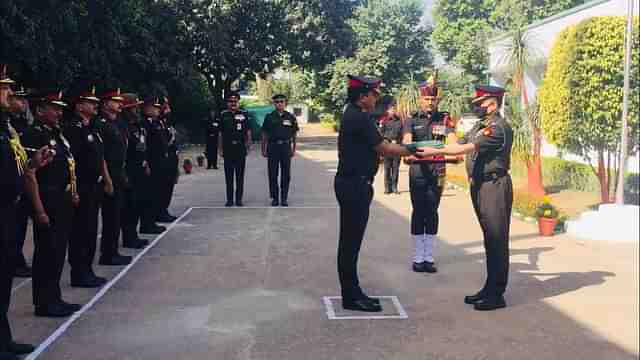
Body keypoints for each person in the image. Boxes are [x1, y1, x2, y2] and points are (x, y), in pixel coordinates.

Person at [335, 75, 428, 312]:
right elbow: (384, 147)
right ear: (363, 96)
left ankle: (352, 292)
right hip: (354, 185)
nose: (377, 98)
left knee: (350, 241)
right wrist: (413, 150)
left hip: (352, 183)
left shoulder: (353, 113)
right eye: (374, 94)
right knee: (350, 242)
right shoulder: (359, 117)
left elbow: (378, 142)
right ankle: (351, 296)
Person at [419, 85, 513, 311]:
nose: (476, 106)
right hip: (481, 185)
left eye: (480, 102)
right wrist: (423, 146)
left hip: (494, 185)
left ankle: (496, 295)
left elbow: (468, 148)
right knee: (489, 239)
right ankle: (489, 288)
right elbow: (458, 143)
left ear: (492, 102)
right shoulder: (481, 126)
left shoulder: (497, 128)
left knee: (497, 239)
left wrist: (434, 153)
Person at [21, 89, 82, 317]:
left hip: (62, 199)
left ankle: (54, 297)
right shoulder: (33, 135)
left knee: (57, 252)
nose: (59, 112)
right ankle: (44, 302)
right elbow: (30, 174)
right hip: (47, 200)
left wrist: (72, 191)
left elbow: (69, 165)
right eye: (54, 108)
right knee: (46, 253)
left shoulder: (56, 134)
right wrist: (38, 209)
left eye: (60, 108)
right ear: (39, 110)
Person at [0, 65, 46, 359]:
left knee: (4, 279)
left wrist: (33, 164)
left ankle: (3, 340)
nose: (9, 94)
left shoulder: (6, 125)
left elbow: (13, 167)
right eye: (3, 89)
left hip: (9, 210)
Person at [402, 73, 458, 273]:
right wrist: (435, 147)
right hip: (418, 171)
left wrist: (429, 149)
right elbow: (407, 144)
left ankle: (429, 257)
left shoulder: (444, 119)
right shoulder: (411, 120)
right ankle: (418, 256)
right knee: (418, 212)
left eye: (433, 99)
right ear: (420, 99)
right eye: (427, 99)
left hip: (438, 171)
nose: (430, 102)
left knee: (432, 212)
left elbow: (453, 144)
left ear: (438, 100)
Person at [63, 85, 110, 287]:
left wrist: (105, 179)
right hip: (81, 186)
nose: (95, 106)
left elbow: (99, 156)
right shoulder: (74, 128)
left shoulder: (92, 128)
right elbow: (70, 160)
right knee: (81, 231)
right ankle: (79, 272)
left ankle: (87, 270)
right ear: (80, 106)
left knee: (91, 230)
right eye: (91, 103)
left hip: (93, 186)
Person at [96, 88, 132, 266]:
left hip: (118, 172)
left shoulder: (116, 123)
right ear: (106, 104)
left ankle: (112, 251)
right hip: (108, 175)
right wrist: (107, 178)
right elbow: (101, 155)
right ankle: (108, 254)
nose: (119, 104)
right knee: (110, 216)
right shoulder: (101, 124)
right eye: (115, 101)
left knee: (116, 215)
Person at [7, 85, 33, 278]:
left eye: (24, 99)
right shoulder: (8, 124)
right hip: (10, 183)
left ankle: (16, 259)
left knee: (20, 225)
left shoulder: (23, 123)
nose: (23, 103)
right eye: (19, 98)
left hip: (22, 180)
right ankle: (13, 260)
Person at [119, 93, 151, 249]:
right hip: (129, 169)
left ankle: (133, 235)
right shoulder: (123, 125)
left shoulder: (136, 124)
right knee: (129, 206)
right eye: (133, 107)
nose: (137, 109)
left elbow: (141, 145)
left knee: (137, 203)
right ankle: (128, 236)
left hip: (139, 168)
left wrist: (145, 162)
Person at [261, 94, 299, 207]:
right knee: (272, 173)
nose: (279, 103)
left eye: (281, 101)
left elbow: (294, 134)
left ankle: (284, 198)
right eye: (277, 102)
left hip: (285, 147)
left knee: (286, 174)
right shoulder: (269, 117)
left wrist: (294, 148)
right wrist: (263, 148)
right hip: (273, 147)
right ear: (274, 104)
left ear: (285, 103)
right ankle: (275, 198)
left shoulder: (290, 117)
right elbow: (264, 133)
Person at [217, 91, 252, 207]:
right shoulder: (223, 115)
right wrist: (220, 149)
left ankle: (239, 199)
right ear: (227, 103)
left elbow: (248, 132)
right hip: (228, 148)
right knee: (229, 175)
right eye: (230, 101)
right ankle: (229, 200)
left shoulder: (244, 114)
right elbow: (220, 134)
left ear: (238, 102)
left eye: (235, 101)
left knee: (240, 175)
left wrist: (248, 145)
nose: (233, 103)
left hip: (240, 148)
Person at [141, 96, 168, 234]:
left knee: (156, 193)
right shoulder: (146, 124)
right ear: (146, 108)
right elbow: (145, 145)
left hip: (159, 162)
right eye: (154, 107)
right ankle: (147, 223)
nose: (157, 109)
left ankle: (151, 221)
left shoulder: (157, 122)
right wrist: (146, 162)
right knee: (149, 195)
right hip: (151, 162)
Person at [157, 97, 178, 223]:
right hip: (163, 159)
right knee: (162, 187)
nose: (168, 108)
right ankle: (160, 211)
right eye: (165, 105)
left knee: (169, 186)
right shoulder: (158, 122)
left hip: (171, 158)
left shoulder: (167, 122)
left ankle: (164, 209)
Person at [377, 96, 403, 195]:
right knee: (387, 168)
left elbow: (402, 134)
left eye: (394, 109)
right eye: (391, 109)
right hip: (387, 147)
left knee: (396, 169)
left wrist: (400, 143)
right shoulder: (384, 121)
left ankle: (394, 187)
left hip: (397, 147)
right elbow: (380, 133)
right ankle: (387, 188)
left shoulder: (400, 121)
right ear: (388, 110)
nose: (393, 111)